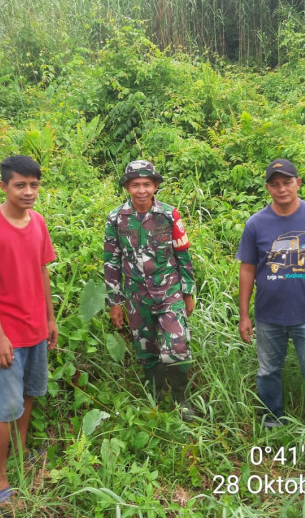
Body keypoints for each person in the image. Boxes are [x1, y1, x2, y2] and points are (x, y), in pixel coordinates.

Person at [0, 155, 58, 504]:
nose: (28, 191)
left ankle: (19, 454)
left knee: (29, 395)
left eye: (34, 185)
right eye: (20, 185)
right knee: (5, 409)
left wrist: (50, 318)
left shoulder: (38, 222)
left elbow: (42, 271)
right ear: (3, 185)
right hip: (4, 336)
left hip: (35, 328)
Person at [236, 159, 305, 432]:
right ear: (267, 188)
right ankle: (273, 423)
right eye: (275, 184)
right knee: (268, 373)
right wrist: (244, 315)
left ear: (298, 183)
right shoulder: (256, 223)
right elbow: (247, 270)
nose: (281, 189)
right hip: (269, 315)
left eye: (287, 182)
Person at [104, 160, 197, 419]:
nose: (141, 190)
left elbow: (183, 254)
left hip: (169, 293)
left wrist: (188, 292)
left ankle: (181, 397)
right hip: (136, 297)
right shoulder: (116, 218)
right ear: (127, 187)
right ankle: (154, 399)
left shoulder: (169, 215)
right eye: (135, 185)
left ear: (155, 186)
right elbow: (111, 261)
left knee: (178, 348)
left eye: (147, 184)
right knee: (147, 352)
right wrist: (115, 301)